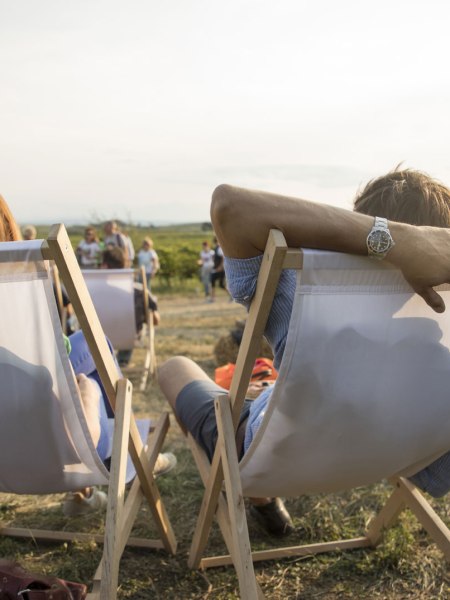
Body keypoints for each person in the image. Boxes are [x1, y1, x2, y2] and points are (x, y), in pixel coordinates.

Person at [158, 168, 450, 538]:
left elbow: (231, 206)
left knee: (175, 367)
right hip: (391, 455)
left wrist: (391, 238)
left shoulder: (303, 294)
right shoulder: (443, 345)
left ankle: (259, 496)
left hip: (270, 458)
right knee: (269, 391)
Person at [0, 195, 176, 515]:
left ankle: (89, 490)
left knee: (94, 344)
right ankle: (132, 456)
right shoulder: (11, 295)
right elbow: (72, 429)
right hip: (52, 446)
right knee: (95, 368)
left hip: (9, 440)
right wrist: (89, 393)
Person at [101, 246, 160, 368]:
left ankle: (108, 362)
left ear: (104, 266)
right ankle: (122, 361)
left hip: (97, 338)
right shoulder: (138, 290)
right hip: (129, 337)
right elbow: (155, 321)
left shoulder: (89, 290)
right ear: (125, 265)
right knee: (130, 325)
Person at [210, 237, 227, 301]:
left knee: (221, 285)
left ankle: (231, 296)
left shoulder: (219, 248)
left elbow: (223, 258)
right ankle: (212, 298)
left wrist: (220, 267)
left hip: (220, 269)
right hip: (216, 269)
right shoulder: (216, 248)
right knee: (212, 281)